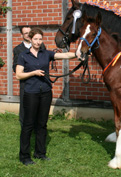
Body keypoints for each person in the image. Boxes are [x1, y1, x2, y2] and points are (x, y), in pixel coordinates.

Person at [16, 28, 77, 166]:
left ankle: (40, 153)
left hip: (45, 93)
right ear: (30, 40)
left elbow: (65, 56)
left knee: (42, 124)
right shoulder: (23, 55)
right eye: (35, 39)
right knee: (28, 124)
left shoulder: (46, 54)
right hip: (31, 93)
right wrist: (33, 73)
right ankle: (24, 156)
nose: (38, 42)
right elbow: (19, 75)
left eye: (40, 39)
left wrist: (78, 54)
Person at [13, 25, 46, 128]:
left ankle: (37, 127)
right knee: (25, 105)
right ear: (22, 35)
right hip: (26, 82)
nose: (28, 35)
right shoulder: (18, 49)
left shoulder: (41, 46)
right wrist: (31, 72)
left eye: (29, 32)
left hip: (39, 81)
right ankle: (25, 127)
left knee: (38, 106)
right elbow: (15, 67)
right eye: (25, 33)